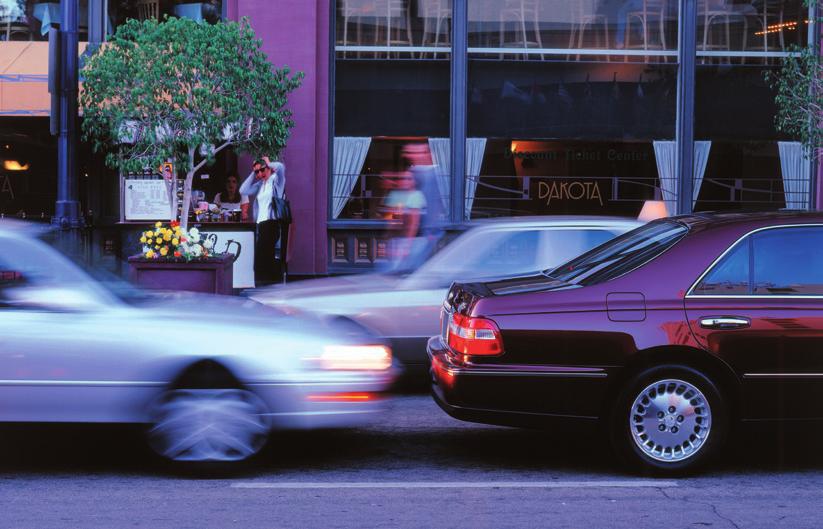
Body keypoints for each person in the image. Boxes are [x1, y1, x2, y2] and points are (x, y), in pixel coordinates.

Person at [239, 157, 287, 286]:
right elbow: (243, 190)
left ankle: (266, 286)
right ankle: (267, 286)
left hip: (271, 223)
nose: (260, 174)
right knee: (263, 257)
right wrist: (252, 172)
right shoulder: (260, 185)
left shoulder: (277, 182)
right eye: (257, 172)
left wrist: (268, 163)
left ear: (269, 168)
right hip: (260, 225)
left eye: (262, 170)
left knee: (262, 258)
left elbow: (281, 167)